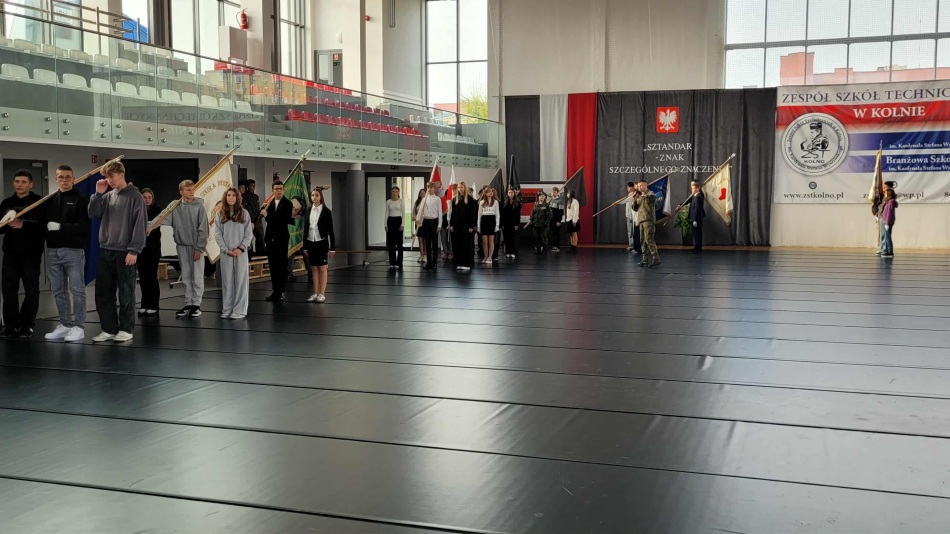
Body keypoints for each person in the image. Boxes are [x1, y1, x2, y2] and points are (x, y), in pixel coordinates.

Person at [88, 160, 147, 343]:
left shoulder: (136, 197)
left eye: (111, 176)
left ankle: (126, 329)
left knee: (126, 292)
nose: (109, 181)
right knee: (103, 292)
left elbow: (140, 224)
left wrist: (134, 250)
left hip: (125, 251)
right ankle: (108, 329)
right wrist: (98, 194)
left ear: (121, 174)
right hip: (105, 249)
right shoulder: (107, 196)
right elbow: (93, 214)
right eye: (107, 177)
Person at [43, 165, 90, 342]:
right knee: (58, 290)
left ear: (73, 179)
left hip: (73, 251)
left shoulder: (81, 199)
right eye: (61, 177)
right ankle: (65, 324)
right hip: (53, 251)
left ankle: (79, 327)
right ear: (56, 179)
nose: (64, 180)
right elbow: (36, 217)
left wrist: (61, 227)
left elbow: (84, 227)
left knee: (77, 290)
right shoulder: (50, 200)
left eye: (68, 177)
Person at [0, 169, 45, 338]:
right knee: (9, 291)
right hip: (10, 254)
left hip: (31, 254)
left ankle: (27, 325)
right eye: (17, 181)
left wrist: (23, 225)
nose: (20, 185)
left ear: (30, 184)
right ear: (13, 183)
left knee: (31, 291)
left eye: (24, 182)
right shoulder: (7, 203)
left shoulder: (38, 201)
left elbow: (43, 226)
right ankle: (10, 325)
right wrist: (6, 223)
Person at [161, 180, 208, 318]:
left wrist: (199, 249)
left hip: (195, 246)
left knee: (197, 276)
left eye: (192, 189)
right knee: (186, 276)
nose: (191, 192)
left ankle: (196, 304)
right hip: (182, 245)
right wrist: (149, 225)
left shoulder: (199, 207)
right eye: (188, 189)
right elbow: (163, 217)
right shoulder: (176, 206)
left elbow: (203, 229)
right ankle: (189, 303)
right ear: (181, 192)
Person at [214, 187, 253, 319]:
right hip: (226, 253)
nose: (231, 198)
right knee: (227, 282)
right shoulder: (220, 214)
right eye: (229, 195)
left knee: (240, 281)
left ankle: (240, 310)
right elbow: (218, 235)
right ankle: (227, 309)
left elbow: (248, 234)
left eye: (233, 195)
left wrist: (240, 248)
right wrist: (226, 250)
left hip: (240, 253)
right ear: (225, 197)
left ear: (237, 198)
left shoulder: (244, 213)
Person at [261, 181, 295, 301]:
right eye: (276, 189)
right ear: (273, 190)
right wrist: (264, 213)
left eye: (281, 188)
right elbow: (268, 219)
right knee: (273, 265)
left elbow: (283, 220)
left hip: (281, 238)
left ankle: (281, 291)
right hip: (270, 238)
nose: (279, 191)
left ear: (283, 190)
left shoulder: (287, 203)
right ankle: (275, 291)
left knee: (281, 265)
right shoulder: (269, 203)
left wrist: (268, 216)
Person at [303, 187, 336, 302]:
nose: (314, 197)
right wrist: (305, 246)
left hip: (321, 242)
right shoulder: (308, 210)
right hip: (310, 241)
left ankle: (322, 293)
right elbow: (306, 229)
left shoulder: (326, 212)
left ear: (321, 196)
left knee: (322, 268)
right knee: (314, 268)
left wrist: (332, 247)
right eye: (312, 195)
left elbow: (331, 231)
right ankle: (315, 293)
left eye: (316, 195)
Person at [139, 188, 162, 317]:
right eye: (144, 197)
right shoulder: (137, 209)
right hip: (140, 250)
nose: (147, 200)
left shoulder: (157, 211)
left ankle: (154, 305)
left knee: (152, 277)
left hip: (153, 250)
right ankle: (144, 304)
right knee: (143, 278)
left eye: (149, 197)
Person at [450, 181, 477, 271]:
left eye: (461, 187)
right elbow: (453, 213)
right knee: (458, 244)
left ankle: (466, 263)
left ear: (464, 188)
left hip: (466, 225)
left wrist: (471, 226)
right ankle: (459, 262)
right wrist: (452, 224)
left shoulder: (470, 199)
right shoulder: (455, 199)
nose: (460, 189)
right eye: (458, 187)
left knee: (465, 244)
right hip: (457, 225)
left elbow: (472, 214)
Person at [633, 178, 660, 268]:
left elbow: (654, 200)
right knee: (642, 240)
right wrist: (635, 199)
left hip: (648, 219)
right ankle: (645, 260)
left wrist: (644, 195)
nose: (639, 187)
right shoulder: (639, 196)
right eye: (638, 186)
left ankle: (656, 258)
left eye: (641, 186)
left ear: (646, 185)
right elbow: (635, 208)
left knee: (649, 239)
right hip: (641, 219)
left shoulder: (650, 193)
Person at [415, 181, 442, 270]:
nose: (429, 189)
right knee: (427, 243)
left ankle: (434, 262)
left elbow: (440, 212)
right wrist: (419, 220)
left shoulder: (437, 199)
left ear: (434, 188)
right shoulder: (424, 199)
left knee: (434, 243)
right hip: (426, 222)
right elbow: (421, 210)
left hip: (434, 222)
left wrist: (439, 224)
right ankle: (429, 262)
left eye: (431, 187)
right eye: (428, 187)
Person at [477, 187, 500, 264]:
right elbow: (479, 215)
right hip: (484, 220)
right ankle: (485, 256)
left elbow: (497, 214)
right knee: (484, 241)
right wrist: (478, 225)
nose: (491, 193)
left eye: (492, 192)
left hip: (492, 220)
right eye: (489, 192)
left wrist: (497, 225)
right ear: (485, 193)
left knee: (491, 240)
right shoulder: (481, 202)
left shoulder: (495, 202)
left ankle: (490, 257)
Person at [385, 185, 404, 271]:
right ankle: (392, 262)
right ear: (391, 192)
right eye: (393, 191)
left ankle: (399, 262)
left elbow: (403, 213)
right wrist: (385, 224)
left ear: (398, 192)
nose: (394, 193)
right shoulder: (388, 201)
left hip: (398, 221)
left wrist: (402, 224)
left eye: (396, 191)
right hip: (391, 221)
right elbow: (386, 213)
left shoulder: (401, 201)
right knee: (391, 243)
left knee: (399, 243)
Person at [242, 179, 264, 253]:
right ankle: (250, 253)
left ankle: (260, 252)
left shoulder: (256, 197)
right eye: (251, 185)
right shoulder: (243, 196)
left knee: (260, 236)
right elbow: (244, 209)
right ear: (248, 186)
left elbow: (258, 208)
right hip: (249, 219)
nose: (253, 187)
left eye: (254, 185)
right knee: (248, 237)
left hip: (257, 219)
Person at [501, 188, 522, 259]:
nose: (510, 194)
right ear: (507, 193)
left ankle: (513, 252)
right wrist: (502, 224)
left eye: (512, 192)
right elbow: (502, 214)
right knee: (506, 238)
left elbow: (518, 215)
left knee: (513, 238)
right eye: (509, 192)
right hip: (506, 224)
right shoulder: (504, 202)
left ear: (514, 194)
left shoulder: (517, 203)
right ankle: (508, 252)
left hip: (513, 224)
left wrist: (517, 224)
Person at [623, 181, 641, 254]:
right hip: (628, 215)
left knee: (634, 232)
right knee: (629, 231)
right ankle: (631, 245)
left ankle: (635, 246)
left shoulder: (636, 195)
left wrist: (617, 202)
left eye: (629, 187)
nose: (628, 189)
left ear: (633, 187)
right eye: (627, 187)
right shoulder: (629, 194)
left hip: (634, 216)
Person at [688, 180, 706, 253]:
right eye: (692, 188)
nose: (692, 190)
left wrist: (695, 219)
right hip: (695, 218)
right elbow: (688, 201)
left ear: (698, 188)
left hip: (697, 218)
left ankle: (698, 248)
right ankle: (697, 247)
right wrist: (680, 205)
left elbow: (697, 209)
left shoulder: (698, 197)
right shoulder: (694, 196)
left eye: (693, 188)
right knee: (696, 234)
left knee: (697, 234)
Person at [879, 188, 898, 258]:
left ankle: (890, 251)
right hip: (886, 221)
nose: (885, 194)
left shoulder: (891, 202)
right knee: (887, 236)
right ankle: (887, 250)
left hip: (888, 221)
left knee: (888, 236)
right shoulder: (888, 201)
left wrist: (887, 223)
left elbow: (889, 213)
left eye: (886, 193)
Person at [413, 188, 427, 263]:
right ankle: (421, 255)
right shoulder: (417, 202)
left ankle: (425, 255)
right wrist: (416, 219)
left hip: (425, 223)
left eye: (423, 193)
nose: (422, 194)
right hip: (418, 223)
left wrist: (423, 218)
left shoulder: (427, 202)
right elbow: (414, 212)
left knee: (425, 240)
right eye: (421, 193)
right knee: (420, 239)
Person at [548, 187, 564, 252]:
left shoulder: (560, 200)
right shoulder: (551, 200)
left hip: (556, 220)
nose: (553, 193)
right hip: (551, 219)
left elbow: (561, 212)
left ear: (557, 192)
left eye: (554, 192)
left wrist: (559, 221)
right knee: (553, 233)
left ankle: (557, 246)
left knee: (556, 233)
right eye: (552, 192)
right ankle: (554, 245)